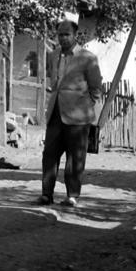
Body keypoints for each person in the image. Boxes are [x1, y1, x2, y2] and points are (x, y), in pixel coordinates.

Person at [39, 12, 104, 209]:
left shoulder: (87, 58)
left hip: (78, 117)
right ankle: (46, 195)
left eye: (67, 34)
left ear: (75, 35)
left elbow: (96, 89)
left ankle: (72, 196)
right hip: (56, 113)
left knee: (75, 157)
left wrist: (84, 106)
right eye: (60, 34)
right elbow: (54, 82)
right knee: (49, 155)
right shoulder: (54, 54)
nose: (63, 38)